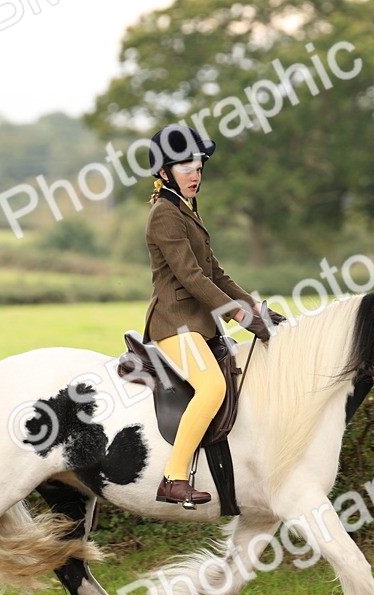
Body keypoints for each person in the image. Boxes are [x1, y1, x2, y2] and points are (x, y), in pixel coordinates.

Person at [143, 124, 270, 507]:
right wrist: (238, 316)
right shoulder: (165, 215)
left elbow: (215, 272)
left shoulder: (186, 211)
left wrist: (255, 308)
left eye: (198, 166)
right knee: (212, 387)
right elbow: (192, 277)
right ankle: (174, 477)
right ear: (164, 173)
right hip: (174, 323)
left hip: (198, 323)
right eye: (185, 167)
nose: (195, 173)